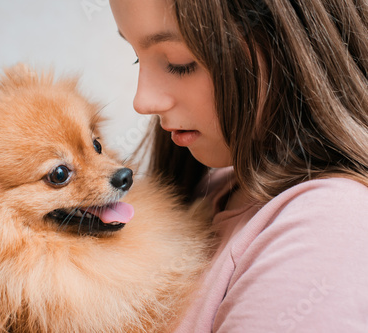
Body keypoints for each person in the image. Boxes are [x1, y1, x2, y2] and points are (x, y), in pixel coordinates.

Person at [109, 0, 368, 332]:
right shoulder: (216, 189)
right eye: (136, 56)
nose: (142, 101)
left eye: (179, 62)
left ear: (285, 41)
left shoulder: (326, 228)